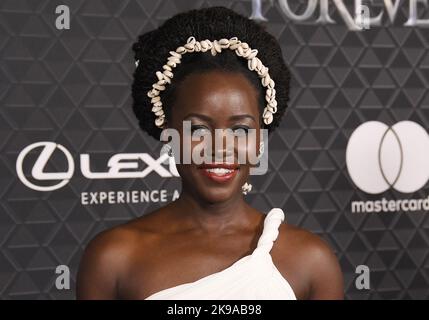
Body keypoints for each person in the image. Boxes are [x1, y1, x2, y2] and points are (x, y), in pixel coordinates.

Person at [76, 6, 344, 300]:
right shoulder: (113, 259)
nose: (220, 147)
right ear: (169, 132)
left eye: (240, 130)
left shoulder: (310, 261)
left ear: (259, 139)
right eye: (199, 130)